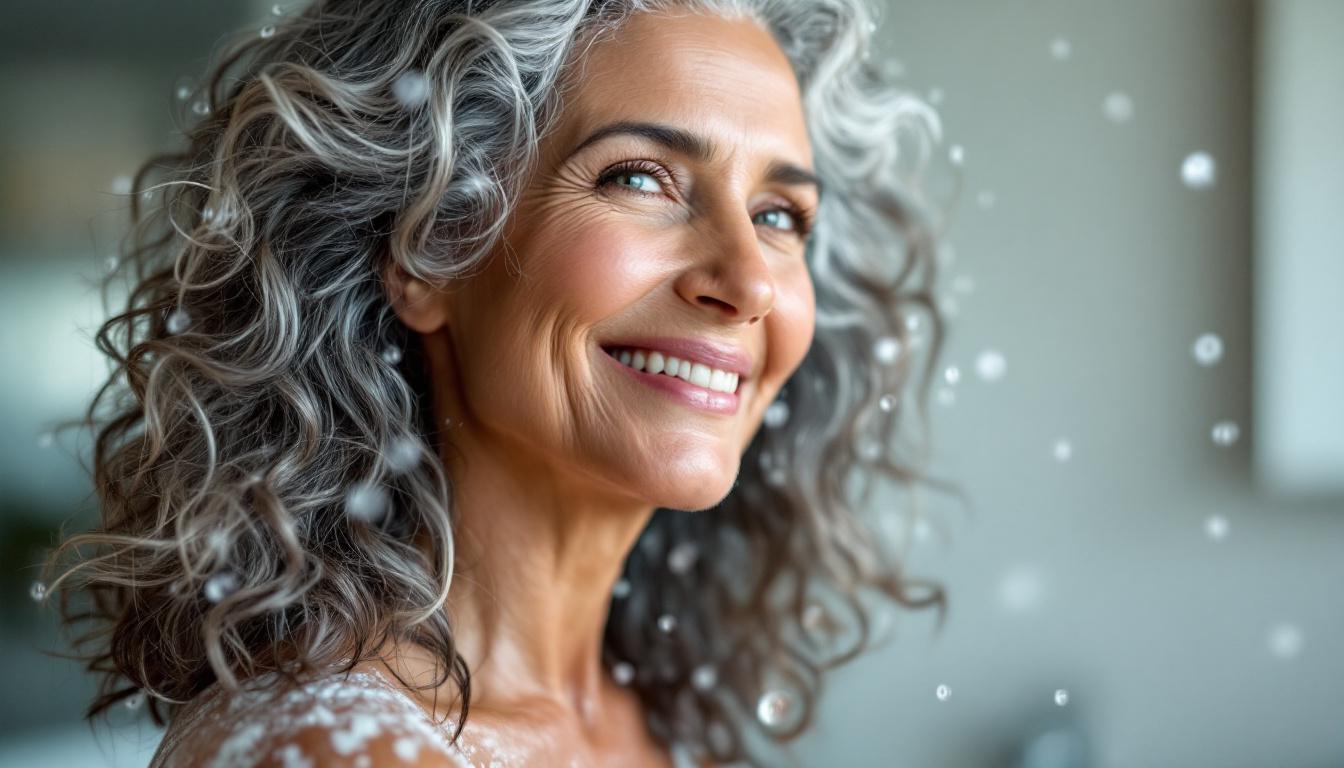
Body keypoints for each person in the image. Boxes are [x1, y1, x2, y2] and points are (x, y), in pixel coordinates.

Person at [42, 0, 955, 765]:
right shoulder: (332, 750)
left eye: (778, 214)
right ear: (428, 250)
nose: (749, 280)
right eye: (642, 178)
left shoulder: (653, 720)